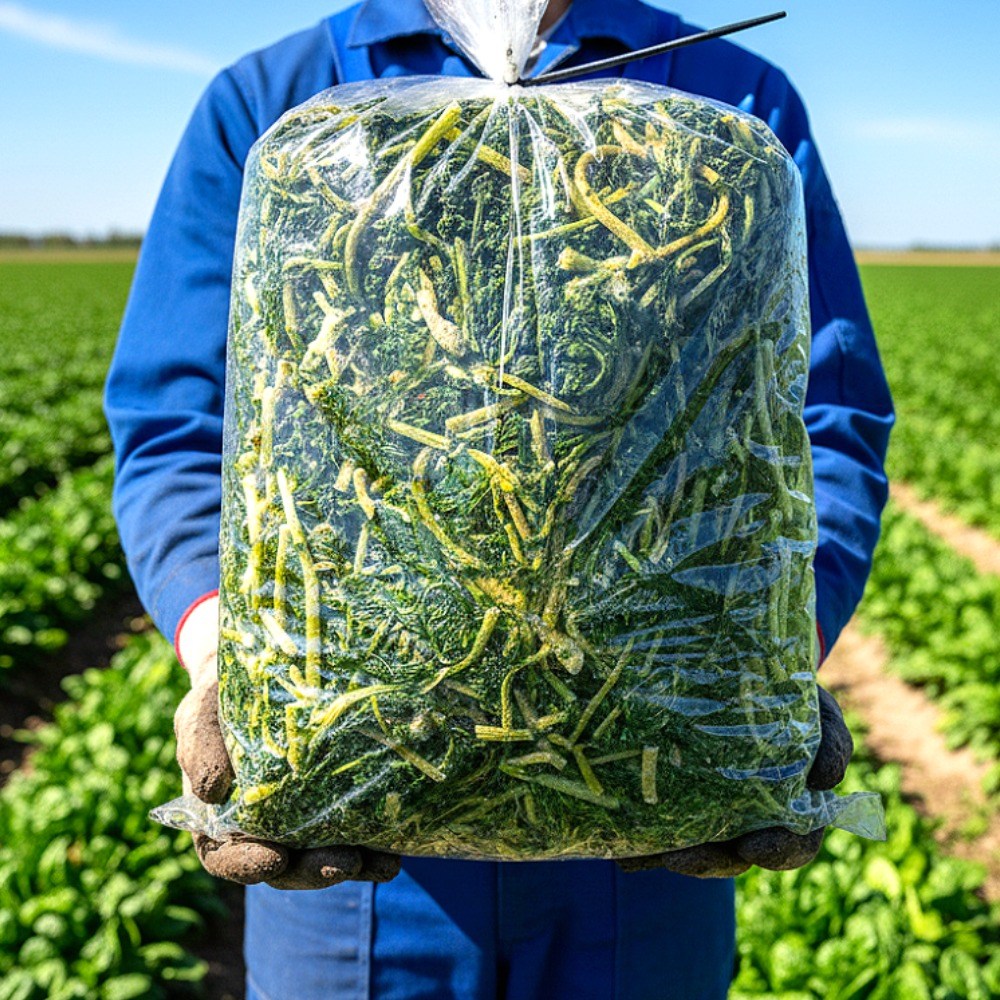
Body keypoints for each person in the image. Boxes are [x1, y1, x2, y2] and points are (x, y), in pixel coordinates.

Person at [104, 0, 894, 996]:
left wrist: (761, 660)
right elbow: (177, 425)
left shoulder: (733, 104)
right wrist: (232, 653)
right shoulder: (274, 104)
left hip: (651, 807)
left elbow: (826, 414)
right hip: (357, 851)